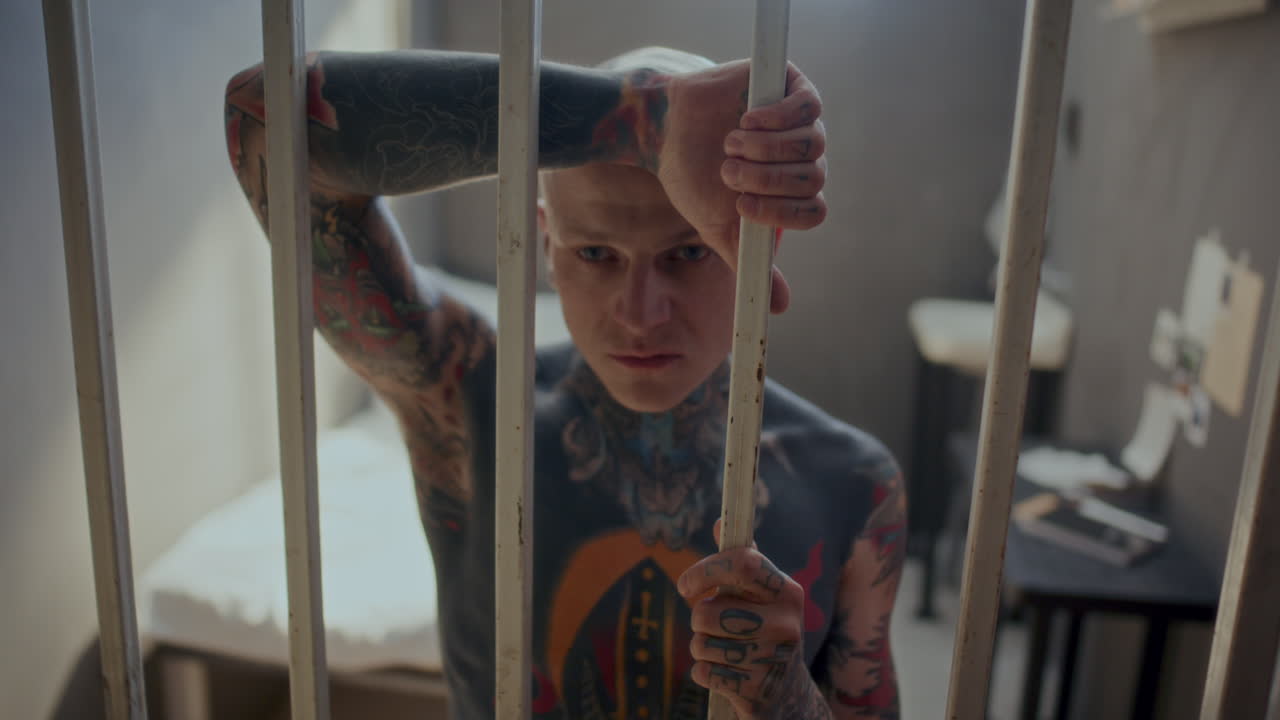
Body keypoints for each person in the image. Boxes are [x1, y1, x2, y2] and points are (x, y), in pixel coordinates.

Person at [224, 44, 905, 720]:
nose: (641, 315)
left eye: (688, 251)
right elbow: (266, 118)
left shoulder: (853, 485)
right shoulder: (469, 400)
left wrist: (786, 699)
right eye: (597, 254)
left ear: (751, 243)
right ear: (546, 246)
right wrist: (645, 119)